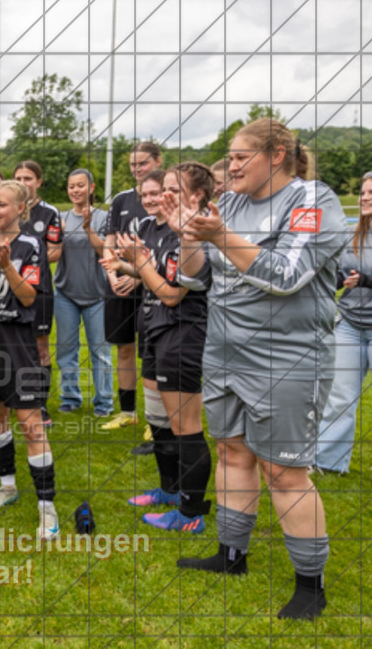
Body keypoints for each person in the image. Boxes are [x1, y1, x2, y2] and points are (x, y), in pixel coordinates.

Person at [174, 118, 348, 620]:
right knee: (232, 452)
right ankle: (232, 556)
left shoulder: (313, 200)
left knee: (284, 471)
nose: (229, 167)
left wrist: (221, 235)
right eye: (228, 157)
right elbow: (194, 276)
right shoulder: (226, 203)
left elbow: (288, 276)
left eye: (239, 157)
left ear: (276, 155)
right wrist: (190, 234)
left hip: (287, 358)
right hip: (225, 355)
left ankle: (310, 586)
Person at [105, 165, 213, 533]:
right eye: (159, 189)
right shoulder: (151, 227)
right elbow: (149, 276)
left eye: (172, 190)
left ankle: (191, 513)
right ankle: (170, 490)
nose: (162, 197)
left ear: (196, 196)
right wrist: (123, 263)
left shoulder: (197, 232)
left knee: (186, 427)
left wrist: (140, 262)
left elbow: (170, 293)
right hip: (153, 328)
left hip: (182, 332)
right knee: (158, 419)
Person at [0, 180, 58, 539]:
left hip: (17, 340)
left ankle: (46, 508)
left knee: (31, 424)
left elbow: (27, 298)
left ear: (20, 209)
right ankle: (7, 486)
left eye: (1, 204)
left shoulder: (31, 245)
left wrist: (6, 267)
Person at [101, 141, 163, 435]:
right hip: (120, 283)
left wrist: (138, 276)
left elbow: (164, 249)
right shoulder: (121, 200)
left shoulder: (164, 197)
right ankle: (128, 412)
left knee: (153, 352)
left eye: (143, 164)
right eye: (132, 165)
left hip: (152, 284)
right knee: (123, 349)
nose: (137, 170)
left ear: (157, 162)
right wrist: (112, 273)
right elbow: (110, 239)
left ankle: (157, 418)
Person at [316, 171, 372, 474]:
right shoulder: (351, 235)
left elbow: (362, 277)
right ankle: (328, 462)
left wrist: (366, 280)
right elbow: (337, 275)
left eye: (370, 193)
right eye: (363, 192)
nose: (364, 198)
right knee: (339, 397)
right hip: (350, 324)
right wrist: (335, 283)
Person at [54, 169, 112, 416]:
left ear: (91, 187)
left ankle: (104, 402)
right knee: (66, 349)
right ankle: (70, 397)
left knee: (100, 351)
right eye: (71, 186)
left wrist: (89, 228)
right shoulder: (61, 218)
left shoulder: (105, 218)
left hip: (97, 295)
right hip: (65, 293)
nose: (75, 190)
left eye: (80, 185)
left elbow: (106, 253)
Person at [14, 160, 63, 414]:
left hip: (40, 289)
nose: (23, 183)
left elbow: (55, 251)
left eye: (28, 179)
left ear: (38, 182)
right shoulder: (8, 207)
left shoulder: (49, 213)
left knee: (40, 346)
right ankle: (15, 398)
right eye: (19, 178)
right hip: (10, 289)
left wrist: (28, 256)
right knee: (12, 343)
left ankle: (40, 404)